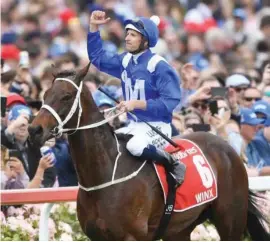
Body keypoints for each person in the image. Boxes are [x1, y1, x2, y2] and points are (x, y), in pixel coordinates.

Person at [87, 11, 185, 187]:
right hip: (133, 126)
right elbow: (98, 58)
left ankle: (174, 164)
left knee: (135, 147)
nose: (127, 38)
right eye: (127, 34)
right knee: (106, 145)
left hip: (159, 127)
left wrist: (137, 104)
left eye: (133, 35)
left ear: (145, 41)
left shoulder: (159, 65)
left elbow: (170, 102)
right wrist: (94, 28)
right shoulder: (125, 61)